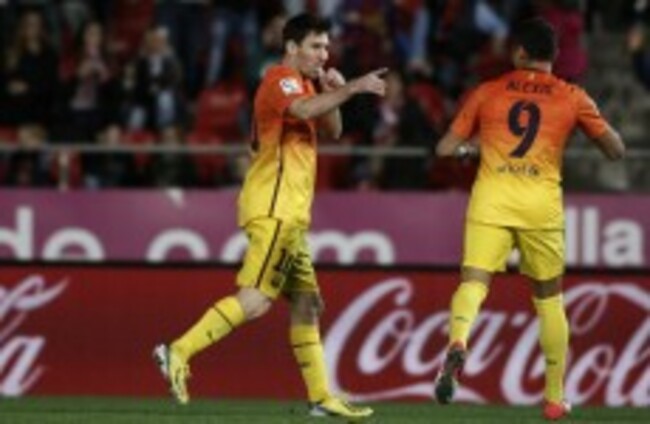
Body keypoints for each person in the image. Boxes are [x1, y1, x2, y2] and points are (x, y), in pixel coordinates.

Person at [153, 13, 387, 420]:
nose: (324, 54)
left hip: (291, 214)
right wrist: (353, 87)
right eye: (316, 46)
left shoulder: (307, 84)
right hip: (274, 208)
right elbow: (303, 109)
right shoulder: (280, 79)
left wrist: (336, 89)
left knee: (308, 303)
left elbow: (332, 129)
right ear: (292, 47)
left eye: (326, 47)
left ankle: (321, 398)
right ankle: (179, 351)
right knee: (257, 300)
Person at [432, 17, 624, 421]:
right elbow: (616, 151)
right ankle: (554, 398)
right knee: (549, 299)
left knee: (473, 282)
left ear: (519, 52)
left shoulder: (488, 91)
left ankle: (459, 341)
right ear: (554, 56)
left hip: (491, 200)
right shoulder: (573, 96)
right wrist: (581, 123)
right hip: (541, 206)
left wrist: (473, 149)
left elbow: (445, 148)